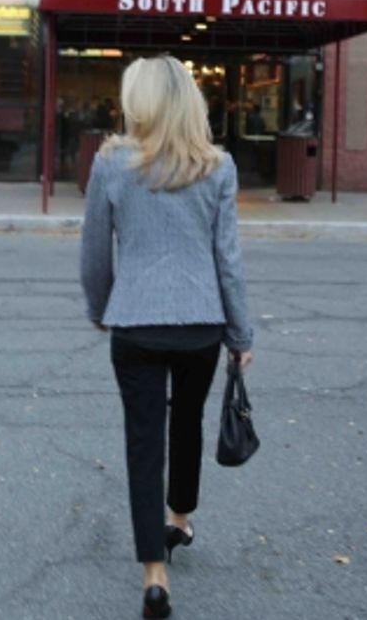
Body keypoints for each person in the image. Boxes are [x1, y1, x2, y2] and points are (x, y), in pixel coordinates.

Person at [80, 55, 255, 620]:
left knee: (143, 441)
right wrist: (239, 332)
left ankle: (154, 576)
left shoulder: (110, 164)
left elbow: (94, 254)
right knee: (187, 423)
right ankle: (179, 518)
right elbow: (227, 259)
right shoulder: (217, 166)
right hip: (200, 325)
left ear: (141, 102)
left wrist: (102, 308)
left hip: (135, 324)